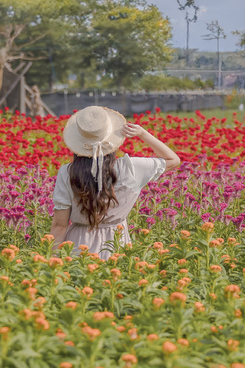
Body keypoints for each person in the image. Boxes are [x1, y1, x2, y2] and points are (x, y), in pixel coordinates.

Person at [49, 106, 180, 259]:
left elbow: (60, 225)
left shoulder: (67, 172)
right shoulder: (131, 168)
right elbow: (173, 160)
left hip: (78, 244)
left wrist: (52, 262)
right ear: (112, 140)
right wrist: (142, 133)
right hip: (116, 243)